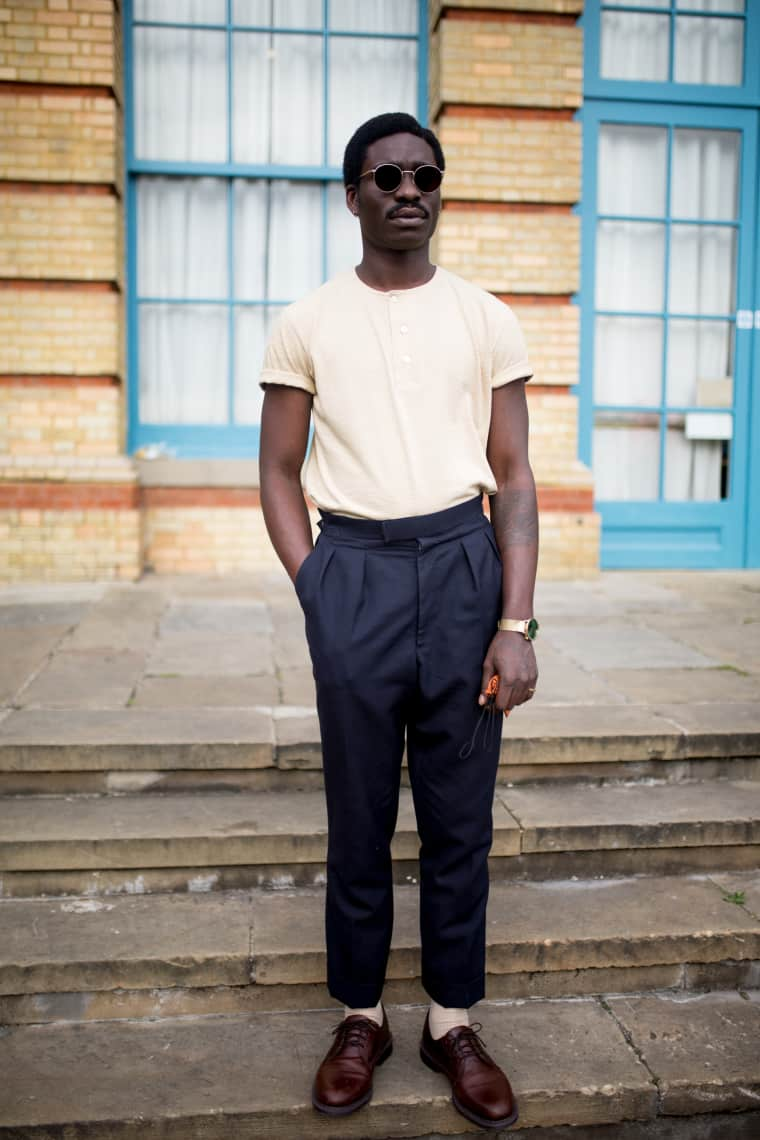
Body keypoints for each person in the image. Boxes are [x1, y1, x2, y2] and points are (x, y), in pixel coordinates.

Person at [259, 111, 538, 1132]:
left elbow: (513, 477)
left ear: (440, 189)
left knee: (459, 823)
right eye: (387, 177)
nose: (408, 190)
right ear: (354, 194)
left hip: (465, 569)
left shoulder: (486, 318)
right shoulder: (305, 321)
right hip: (359, 572)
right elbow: (278, 473)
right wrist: (317, 586)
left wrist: (516, 619)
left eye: (425, 175)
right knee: (360, 820)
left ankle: (450, 1021)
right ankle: (363, 1016)